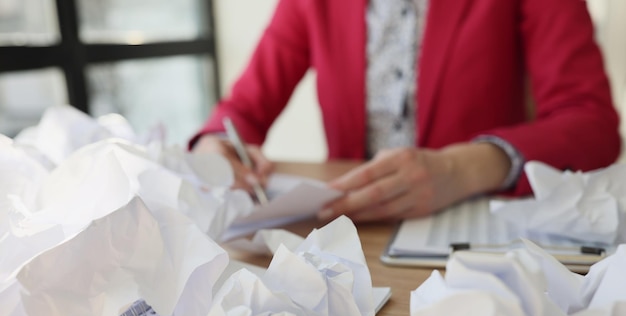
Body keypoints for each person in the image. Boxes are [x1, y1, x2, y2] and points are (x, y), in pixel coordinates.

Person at [189, 0, 621, 222]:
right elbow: (242, 109)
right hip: (353, 243)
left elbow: (592, 121)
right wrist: (217, 142)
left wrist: (465, 167)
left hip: (479, 239)